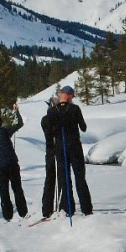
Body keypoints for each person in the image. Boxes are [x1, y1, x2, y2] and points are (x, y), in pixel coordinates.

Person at [46, 85, 93, 215]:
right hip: (74, 146)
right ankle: (86, 209)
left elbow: (48, 130)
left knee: (65, 179)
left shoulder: (52, 111)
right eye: (72, 95)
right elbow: (83, 127)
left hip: (60, 147)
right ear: (68, 95)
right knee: (80, 178)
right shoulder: (75, 109)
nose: (72, 98)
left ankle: (68, 208)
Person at [0, 105, 28, 221]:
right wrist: (16, 112)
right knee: (17, 188)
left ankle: (7, 215)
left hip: (0, 167)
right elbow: (19, 123)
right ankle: (23, 212)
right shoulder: (5, 131)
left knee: (4, 191)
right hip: (13, 164)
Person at [39, 95, 63, 218]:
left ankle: (61, 206)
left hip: (57, 151)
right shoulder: (46, 119)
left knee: (60, 179)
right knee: (51, 179)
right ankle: (47, 209)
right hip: (52, 151)